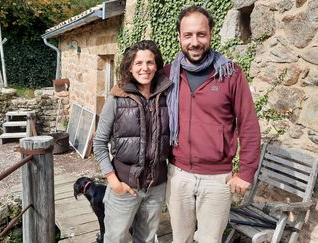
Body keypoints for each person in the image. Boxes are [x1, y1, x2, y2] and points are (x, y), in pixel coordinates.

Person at [164, 6, 261, 243]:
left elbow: (248, 125)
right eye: (188, 35)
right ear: (179, 37)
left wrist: (246, 173)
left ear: (211, 34)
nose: (195, 42)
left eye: (201, 34)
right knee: (180, 239)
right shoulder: (167, 74)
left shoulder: (231, 74)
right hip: (178, 174)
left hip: (217, 179)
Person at [93, 40, 172, 243]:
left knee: (146, 239)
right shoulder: (117, 97)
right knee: (115, 238)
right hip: (124, 186)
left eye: (150, 62)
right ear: (130, 66)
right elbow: (99, 142)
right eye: (138, 63)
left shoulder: (167, 95)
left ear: (157, 65)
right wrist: (113, 180)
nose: (144, 68)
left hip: (156, 186)